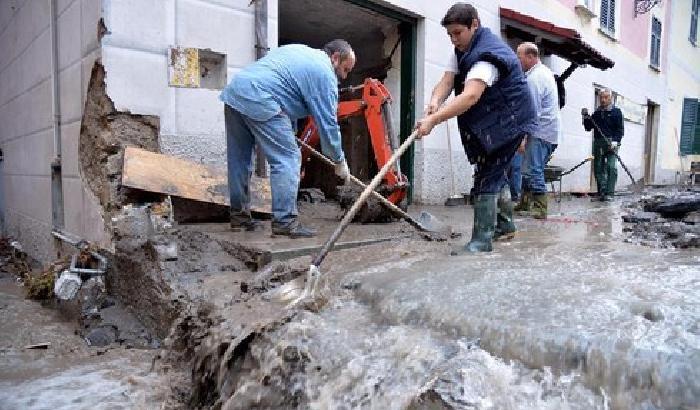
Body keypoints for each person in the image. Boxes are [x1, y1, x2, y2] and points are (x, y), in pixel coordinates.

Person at [416, 3, 536, 253]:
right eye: (449, 34)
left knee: (486, 178)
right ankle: (505, 227)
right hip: (496, 119)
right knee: (496, 173)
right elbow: (447, 80)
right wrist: (435, 102)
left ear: (475, 24)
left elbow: (470, 96)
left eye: (458, 33)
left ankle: (481, 242)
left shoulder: (487, 56)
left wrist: (434, 120)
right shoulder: (462, 48)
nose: (453, 39)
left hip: (510, 121)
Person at [220, 40, 355, 238]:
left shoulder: (299, 51)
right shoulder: (325, 73)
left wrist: (290, 132)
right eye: (345, 69)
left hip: (236, 94)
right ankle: (285, 222)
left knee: (239, 161)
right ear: (335, 58)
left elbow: (285, 94)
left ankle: (239, 219)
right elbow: (328, 125)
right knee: (288, 160)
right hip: (262, 97)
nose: (344, 76)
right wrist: (339, 160)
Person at [514, 42, 561, 219]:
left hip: (540, 131)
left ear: (531, 57)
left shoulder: (535, 79)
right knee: (527, 168)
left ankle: (541, 208)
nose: (517, 61)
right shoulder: (543, 73)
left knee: (534, 169)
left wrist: (523, 138)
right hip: (547, 131)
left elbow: (532, 112)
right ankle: (525, 202)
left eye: (519, 57)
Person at [582, 89, 624, 202]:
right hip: (599, 142)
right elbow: (588, 127)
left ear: (611, 98)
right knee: (598, 167)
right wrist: (585, 117)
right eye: (601, 97)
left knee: (611, 167)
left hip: (611, 143)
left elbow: (620, 130)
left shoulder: (616, 112)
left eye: (605, 97)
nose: (603, 100)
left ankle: (610, 193)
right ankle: (602, 192)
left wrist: (615, 142)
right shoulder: (597, 113)